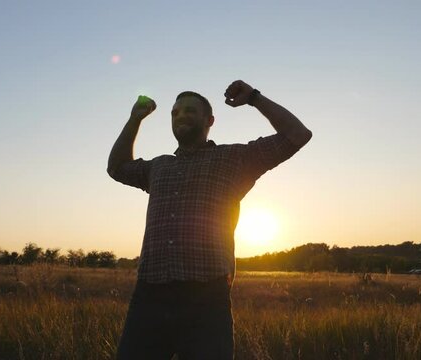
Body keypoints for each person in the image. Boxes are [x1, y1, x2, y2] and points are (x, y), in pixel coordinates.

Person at [108, 80, 312, 359]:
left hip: (205, 298)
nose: (181, 116)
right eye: (175, 112)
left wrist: (254, 98)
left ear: (210, 120)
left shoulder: (233, 159)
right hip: (149, 295)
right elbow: (117, 167)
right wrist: (135, 119)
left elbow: (297, 135)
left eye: (190, 111)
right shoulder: (158, 166)